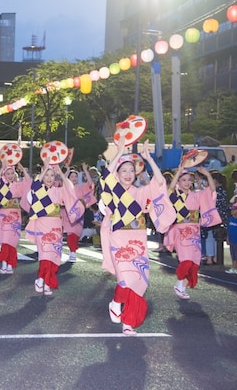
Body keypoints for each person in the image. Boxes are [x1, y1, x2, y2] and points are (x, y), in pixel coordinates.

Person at [100, 138, 176, 336]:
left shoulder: (141, 193)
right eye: (123, 170)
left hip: (138, 240)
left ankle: (128, 322)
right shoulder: (113, 190)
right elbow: (106, 175)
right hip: (118, 238)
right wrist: (120, 151)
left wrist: (149, 160)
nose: (127, 174)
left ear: (136, 174)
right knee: (125, 278)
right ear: (118, 173)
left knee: (137, 281)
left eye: (131, 171)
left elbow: (159, 183)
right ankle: (117, 304)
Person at [165, 165, 220, 300]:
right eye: (183, 180)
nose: (187, 182)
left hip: (194, 231)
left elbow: (212, 191)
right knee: (186, 260)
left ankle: (181, 286)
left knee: (195, 262)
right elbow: (170, 189)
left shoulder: (197, 195)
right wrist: (177, 172)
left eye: (189, 180)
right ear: (178, 181)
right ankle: (179, 284)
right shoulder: (175, 195)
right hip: (181, 231)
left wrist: (207, 175)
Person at [24, 164, 76, 296]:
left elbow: (70, 189)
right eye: (46, 175)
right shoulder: (38, 189)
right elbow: (33, 186)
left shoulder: (58, 190)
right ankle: (45, 281)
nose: (49, 178)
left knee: (54, 255)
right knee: (45, 254)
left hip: (56, 225)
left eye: (52, 175)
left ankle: (43, 280)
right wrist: (44, 168)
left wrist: (62, 174)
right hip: (42, 224)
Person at [0, 162, 31, 274]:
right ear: (4, 175)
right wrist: (2, 167)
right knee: (5, 239)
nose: (10, 175)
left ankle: (10, 264)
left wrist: (22, 169)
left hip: (15, 214)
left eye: (12, 173)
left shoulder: (18, 185)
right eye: (8, 173)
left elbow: (28, 182)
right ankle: (4, 263)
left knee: (12, 240)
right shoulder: (1, 184)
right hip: (4, 214)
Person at [61, 163, 97, 262]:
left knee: (77, 233)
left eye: (76, 176)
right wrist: (67, 170)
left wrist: (85, 170)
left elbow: (90, 184)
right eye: (71, 177)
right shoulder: (66, 188)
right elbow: (63, 181)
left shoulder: (81, 188)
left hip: (78, 213)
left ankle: (73, 249)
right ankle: (72, 252)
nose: (74, 178)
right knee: (70, 233)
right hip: (68, 213)